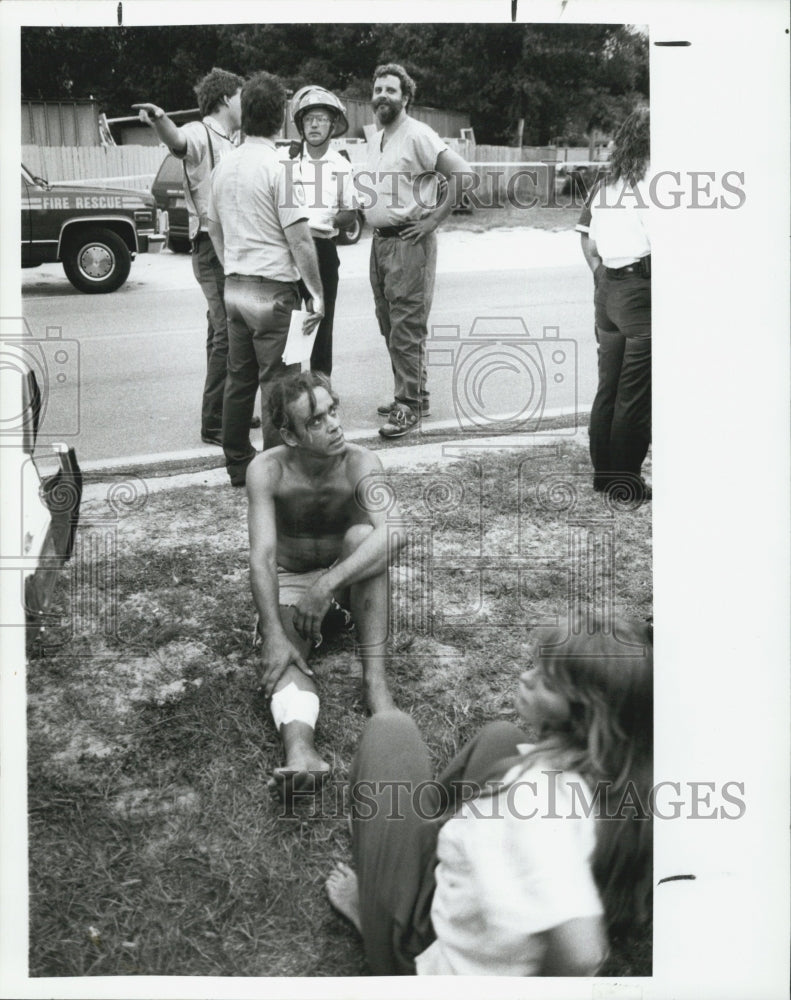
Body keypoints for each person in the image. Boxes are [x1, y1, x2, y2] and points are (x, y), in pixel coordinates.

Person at [325, 618, 653, 976]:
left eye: (546, 681)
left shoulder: (538, 805)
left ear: (585, 714)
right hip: (477, 915)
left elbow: (581, 954)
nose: (527, 677)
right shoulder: (617, 773)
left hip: (427, 954)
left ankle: (377, 925)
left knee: (390, 731)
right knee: (501, 739)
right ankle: (403, 856)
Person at [247, 370, 406, 796]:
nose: (334, 424)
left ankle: (375, 683)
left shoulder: (362, 462)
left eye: (332, 411)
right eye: (316, 420)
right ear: (291, 435)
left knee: (362, 538)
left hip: (344, 580)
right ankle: (302, 753)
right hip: (293, 583)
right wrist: (274, 636)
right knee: (286, 657)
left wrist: (328, 585)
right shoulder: (267, 469)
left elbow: (395, 533)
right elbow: (261, 557)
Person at [207, 71, 324, 487]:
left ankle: (239, 462)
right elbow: (301, 240)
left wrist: (231, 267)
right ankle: (277, 471)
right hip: (273, 290)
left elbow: (213, 227)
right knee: (278, 384)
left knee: (239, 377)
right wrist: (316, 292)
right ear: (282, 117)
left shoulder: (223, 167)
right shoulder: (283, 168)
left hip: (235, 285)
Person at [133, 68, 261, 447]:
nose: (245, 103)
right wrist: (160, 120)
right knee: (228, 334)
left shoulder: (233, 139)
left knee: (219, 331)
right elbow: (177, 141)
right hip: (210, 245)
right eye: (240, 95)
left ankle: (226, 408)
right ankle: (215, 422)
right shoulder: (202, 132)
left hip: (229, 245)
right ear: (224, 100)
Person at [364, 63, 474, 437]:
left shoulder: (418, 135)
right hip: (381, 244)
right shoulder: (378, 137)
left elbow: (463, 174)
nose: (382, 95)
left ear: (406, 97)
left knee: (406, 327)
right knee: (389, 324)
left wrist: (433, 221)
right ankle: (414, 393)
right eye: (378, 89)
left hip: (409, 243)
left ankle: (407, 406)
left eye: (390, 90)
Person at [581, 107, 652, 504]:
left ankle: (603, 474)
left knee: (608, 388)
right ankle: (626, 480)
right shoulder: (654, 177)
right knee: (634, 394)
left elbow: (589, 241)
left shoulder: (608, 178)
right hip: (637, 287)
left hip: (607, 285)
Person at [287, 86, 358, 376]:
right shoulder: (287, 160)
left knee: (321, 320)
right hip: (289, 250)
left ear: (333, 125)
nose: (314, 124)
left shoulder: (342, 164)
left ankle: (320, 386)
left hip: (323, 250)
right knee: (291, 321)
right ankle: (289, 392)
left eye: (321, 118)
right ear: (301, 125)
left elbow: (351, 213)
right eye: (309, 119)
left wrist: (332, 220)